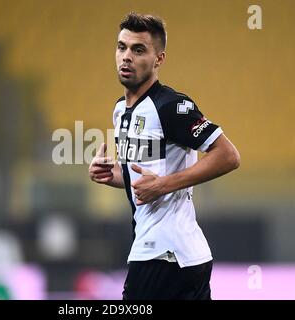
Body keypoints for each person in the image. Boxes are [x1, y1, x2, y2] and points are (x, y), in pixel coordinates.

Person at [88, 12, 240, 300]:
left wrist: (163, 185)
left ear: (159, 59)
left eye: (138, 49)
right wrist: (113, 175)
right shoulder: (121, 109)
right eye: (122, 47)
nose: (126, 57)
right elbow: (146, 174)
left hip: (163, 255)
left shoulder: (171, 106)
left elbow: (228, 156)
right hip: (180, 255)